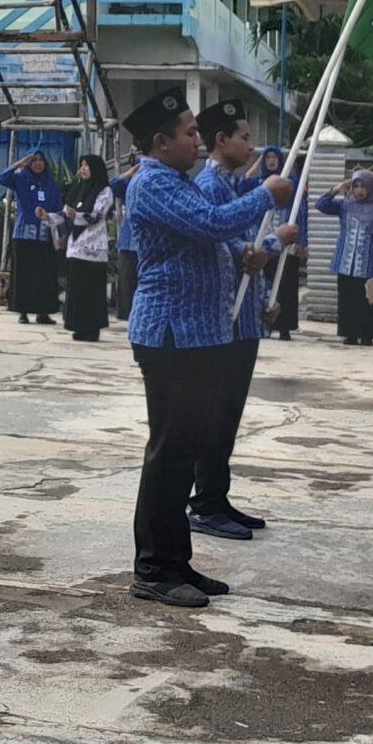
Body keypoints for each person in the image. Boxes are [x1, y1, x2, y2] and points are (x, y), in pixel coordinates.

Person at [119, 89, 296, 610]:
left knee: (183, 452)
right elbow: (214, 223)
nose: (197, 142)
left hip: (197, 334)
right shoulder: (151, 183)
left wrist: (247, 252)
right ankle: (152, 567)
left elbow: (215, 240)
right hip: (171, 335)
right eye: (190, 134)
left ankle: (176, 562)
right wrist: (266, 192)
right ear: (161, 142)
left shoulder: (176, 181)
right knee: (169, 454)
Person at [190, 102, 284, 542]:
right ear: (221, 140)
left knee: (228, 417)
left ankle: (217, 496)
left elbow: (243, 250)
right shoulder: (209, 186)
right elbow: (221, 245)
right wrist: (267, 245)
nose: (251, 144)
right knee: (213, 415)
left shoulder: (230, 185)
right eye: (244, 136)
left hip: (243, 320)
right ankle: (205, 503)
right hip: (221, 323)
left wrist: (264, 299)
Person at [312, 169, 373, 347]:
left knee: (368, 300)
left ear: (370, 188)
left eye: (363, 186)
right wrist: (336, 189)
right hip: (346, 263)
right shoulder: (345, 206)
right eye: (356, 186)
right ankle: (349, 334)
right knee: (348, 300)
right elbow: (321, 205)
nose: (359, 190)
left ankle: (367, 335)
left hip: (369, 263)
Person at [0, 150, 64, 325]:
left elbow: (59, 209)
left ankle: (43, 312)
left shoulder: (52, 184)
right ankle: (23, 311)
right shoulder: (21, 179)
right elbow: (1, 178)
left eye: (41, 160)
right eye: (33, 160)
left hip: (45, 236)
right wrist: (19, 164)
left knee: (44, 276)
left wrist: (48, 216)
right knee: (24, 276)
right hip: (24, 235)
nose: (38, 163)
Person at [60, 153, 115, 343]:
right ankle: (78, 326)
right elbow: (66, 211)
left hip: (93, 248)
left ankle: (92, 328)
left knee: (91, 291)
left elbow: (97, 216)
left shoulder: (104, 190)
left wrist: (76, 215)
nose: (82, 169)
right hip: (76, 246)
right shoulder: (78, 189)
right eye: (81, 165)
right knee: (77, 290)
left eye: (86, 166)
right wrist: (48, 217)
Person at [255, 147, 303, 341]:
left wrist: (301, 240)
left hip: (286, 243)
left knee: (287, 286)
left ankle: (285, 327)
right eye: (268, 157)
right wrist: (255, 167)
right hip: (265, 241)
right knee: (264, 283)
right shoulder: (258, 184)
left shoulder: (291, 184)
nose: (272, 161)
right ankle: (266, 324)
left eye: (275, 157)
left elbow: (301, 209)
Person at [109, 151, 141, 322]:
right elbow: (111, 186)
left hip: (144, 243)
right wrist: (128, 174)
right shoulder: (130, 182)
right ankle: (126, 313)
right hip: (128, 240)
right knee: (127, 281)